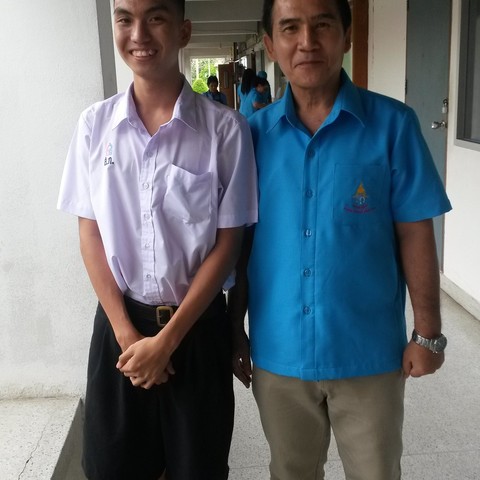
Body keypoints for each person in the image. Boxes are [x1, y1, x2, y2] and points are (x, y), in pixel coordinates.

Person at [229, 0, 452, 479]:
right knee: (291, 472)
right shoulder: (249, 137)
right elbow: (239, 244)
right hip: (280, 353)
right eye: (290, 28)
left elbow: (415, 231)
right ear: (270, 45)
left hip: (368, 352)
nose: (307, 42)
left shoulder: (393, 126)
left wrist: (427, 332)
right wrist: (233, 328)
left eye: (323, 25)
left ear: (347, 36)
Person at [57, 0, 257, 479]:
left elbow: (228, 244)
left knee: (199, 468)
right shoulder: (94, 127)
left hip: (196, 331)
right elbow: (90, 233)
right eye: (125, 19)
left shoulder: (225, 130)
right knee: (113, 467)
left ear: (183, 31)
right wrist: (129, 336)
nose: (139, 34)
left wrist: (167, 342)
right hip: (120, 329)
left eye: (156, 18)